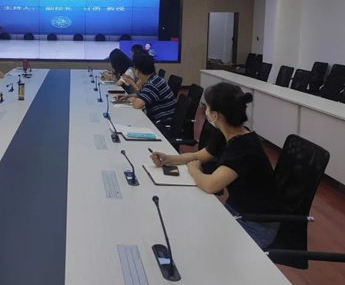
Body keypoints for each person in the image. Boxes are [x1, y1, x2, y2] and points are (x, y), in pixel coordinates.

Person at [148, 82, 280, 249]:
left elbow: (211, 185)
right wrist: (169, 159)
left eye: (208, 108)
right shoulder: (227, 133)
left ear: (215, 115)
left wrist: (194, 169)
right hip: (236, 211)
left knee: (200, 243)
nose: (206, 111)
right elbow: (197, 156)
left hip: (256, 225)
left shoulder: (243, 146)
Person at [116, 53, 176, 124]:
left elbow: (137, 104)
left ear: (137, 71)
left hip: (161, 123)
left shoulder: (152, 84)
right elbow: (141, 93)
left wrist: (133, 100)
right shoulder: (154, 78)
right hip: (160, 118)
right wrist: (127, 96)